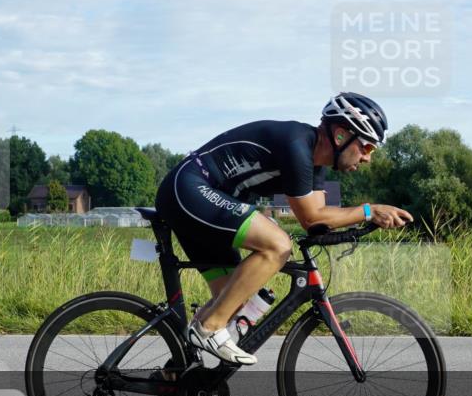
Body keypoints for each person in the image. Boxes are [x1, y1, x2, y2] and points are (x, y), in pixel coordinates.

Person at [155, 92, 413, 365]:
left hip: (210, 200)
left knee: (233, 300)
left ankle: (179, 372)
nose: (367, 158)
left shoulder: (315, 165)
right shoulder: (296, 146)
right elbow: (312, 218)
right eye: (367, 147)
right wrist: (369, 210)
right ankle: (207, 329)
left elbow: (319, 222)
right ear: (340, 135)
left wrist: (362, 223)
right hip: (189, 190)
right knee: (277, 245)